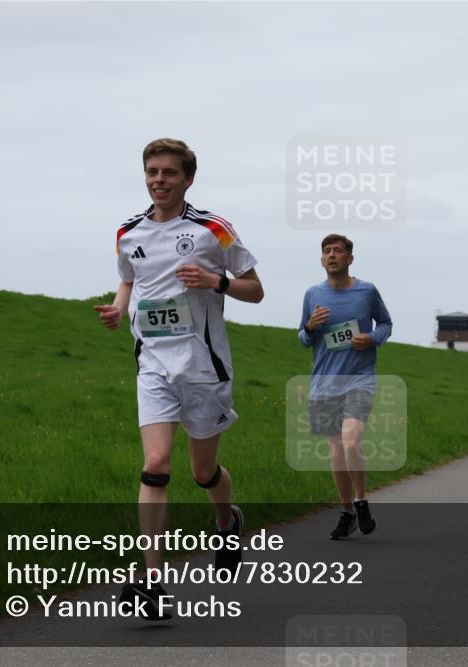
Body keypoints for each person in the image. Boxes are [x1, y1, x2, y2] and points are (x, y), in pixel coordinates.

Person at [95, 138, 264, 618]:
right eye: (152, 172)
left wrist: (218, 281)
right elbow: (130, 277)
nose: (158, 180)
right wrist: (118, 307)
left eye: (169, 172)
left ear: (188, 179)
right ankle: (152, 580)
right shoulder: (128, 233)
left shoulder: (213, 230)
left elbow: (256, 290)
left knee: (202, 472)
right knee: (155, 464)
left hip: (204, 368)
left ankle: (227, 521)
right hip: (152, 363)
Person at [299, 234, 392, 540]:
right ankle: (347, 511)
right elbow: (303, 337)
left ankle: (361, 500)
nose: (332, 255)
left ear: (350, 259)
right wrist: (311, 326)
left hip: (360, 378)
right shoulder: (313, 294)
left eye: (338, 251)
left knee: (351, 441)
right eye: (327, 251)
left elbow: (386, 323)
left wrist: (373, 338)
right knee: (336, 450)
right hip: (324, 382)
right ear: (321, 260)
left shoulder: (367, 291)